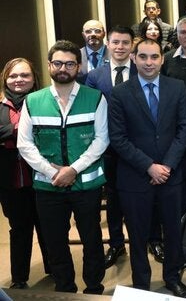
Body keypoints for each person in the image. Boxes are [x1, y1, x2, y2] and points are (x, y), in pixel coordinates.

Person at [17, 40, 109, 295]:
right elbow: (24, 144)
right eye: (58, 63)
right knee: (55, 242)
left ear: (78, 67)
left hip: (86, 185)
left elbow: (102, 139)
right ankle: (65, 288)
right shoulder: (33, 101)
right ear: (49, 66)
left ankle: (94, 287)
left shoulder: (95, 98)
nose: (63, 68)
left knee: (92, 240)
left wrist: (73, 170)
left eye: (70, 63)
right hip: (48, 187)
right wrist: (53, 172)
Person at [108, 38, 186, 298]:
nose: (149, 62)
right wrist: (149, 167)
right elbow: (117, 138)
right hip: (135, 177)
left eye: (154, 57)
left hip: (171, 174)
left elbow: (184, 129)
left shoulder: (177, 88)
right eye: (143, 57)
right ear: (133, 58)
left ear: (162, 59)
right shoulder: (120, 92)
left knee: (173, 231)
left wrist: (166, 165)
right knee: (138, 233)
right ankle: (141, 283)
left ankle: (172, 277)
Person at [85, 26, 139, 269]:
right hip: (108, 147)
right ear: (108, 44)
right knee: (114, 197)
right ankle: (116, 242)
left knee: (145, 196)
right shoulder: (96, 76)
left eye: (125, 43)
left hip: (140, 145)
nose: (120, 47)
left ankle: (151, 239)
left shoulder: (143, 69)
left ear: (131, 45)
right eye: (115, 42)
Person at [0, 58, 49, 289]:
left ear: (34, 78)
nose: (19, 80)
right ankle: (19, 279)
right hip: (10, 181)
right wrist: (22, 128)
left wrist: (9, 134)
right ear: (5, 79)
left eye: (24, 75)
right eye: (13, 76)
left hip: (42, 177)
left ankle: (55, 270)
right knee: (19, 229)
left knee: (48, 226)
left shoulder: (45, 101)